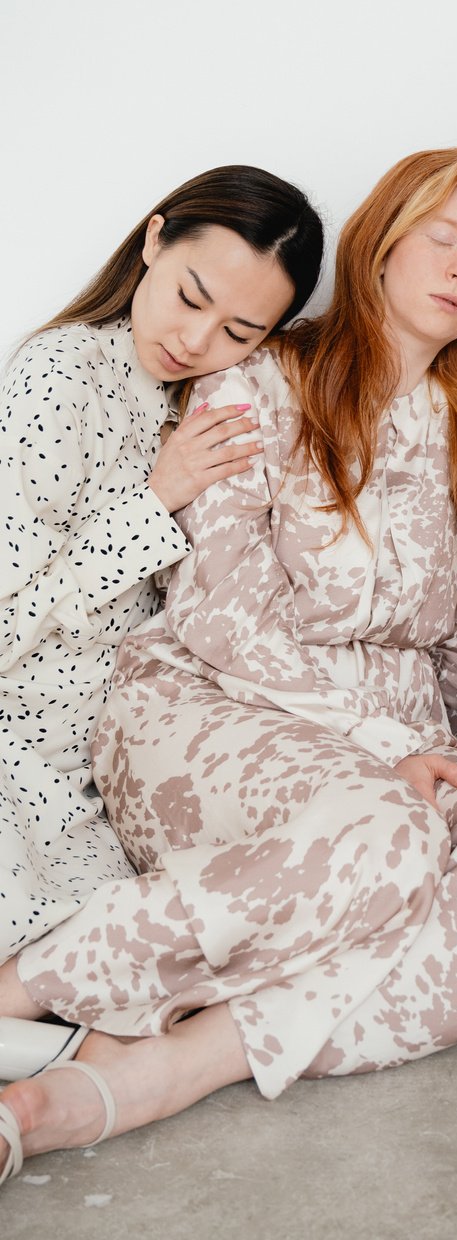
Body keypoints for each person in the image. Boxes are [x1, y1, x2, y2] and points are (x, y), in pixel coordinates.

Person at [0, 146, 457, 1183]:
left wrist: (453, 754)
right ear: (383, 239)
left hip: (378, 740)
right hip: (206, 702)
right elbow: (218, 612)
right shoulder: (258, 377)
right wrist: (384, 748)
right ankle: (36, 989)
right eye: (439, 236)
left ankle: (180, 1064)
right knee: (391, 831)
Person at [0, 165, 323, 966]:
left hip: (135, 735)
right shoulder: (61, 375)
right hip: (29, 735)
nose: (195, 340)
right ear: (153, 240)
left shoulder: (230, 399)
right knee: (77, 947)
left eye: (239, 331)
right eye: (189, 296)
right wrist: (156, 501)